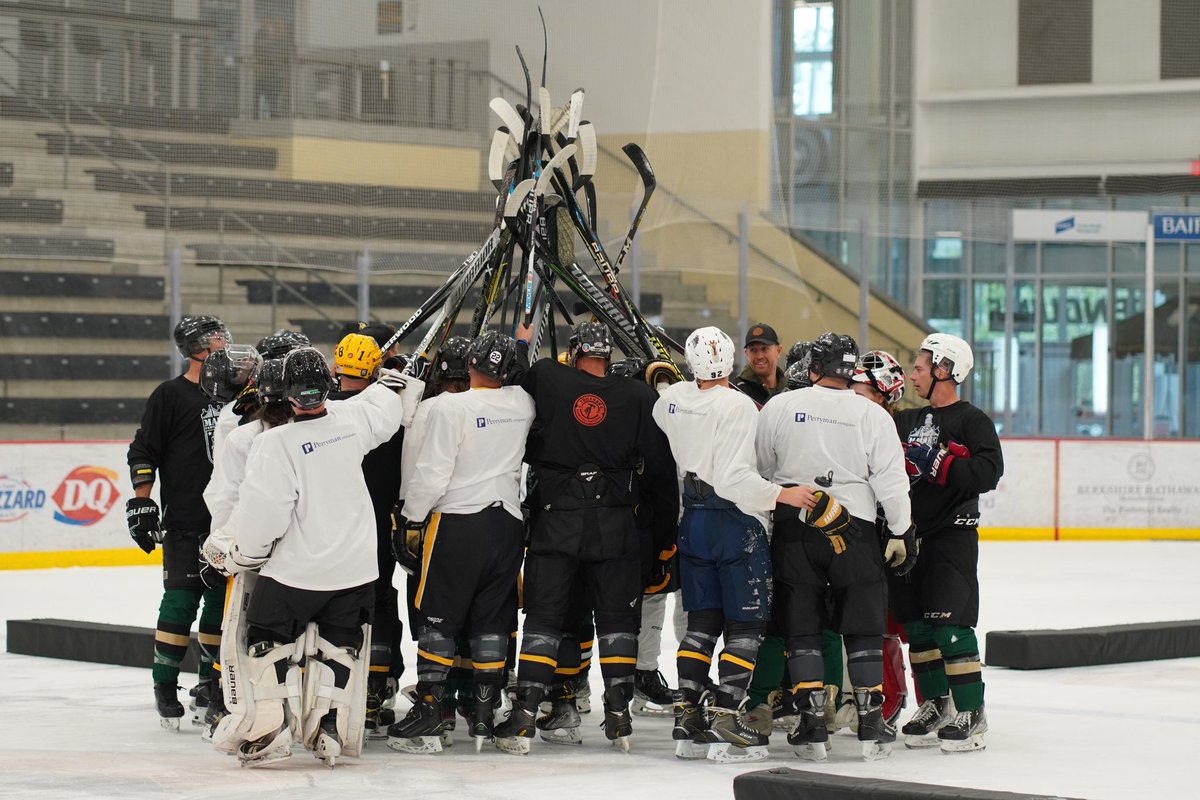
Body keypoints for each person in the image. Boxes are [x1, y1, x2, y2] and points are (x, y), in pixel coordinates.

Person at [203, 347, 421, 767]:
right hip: (356, 570)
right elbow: (383, 407)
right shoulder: (350, 421)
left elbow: (263, 516)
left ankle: (271, 727)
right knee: (339, 646)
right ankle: (329, 727)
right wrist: (395, 378)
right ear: (328, 387)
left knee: (266, 640)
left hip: (295, 572)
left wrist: (238, 555)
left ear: (285, 394)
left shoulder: (273, 443)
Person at [493, 320, 677, 754]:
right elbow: (662, 473)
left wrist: (522, 341)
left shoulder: (549, 377)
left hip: (557, 519)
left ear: (574, 352)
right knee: (617, 621)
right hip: (615, 523)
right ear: (608, 355)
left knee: (543, 617)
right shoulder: (637, 395)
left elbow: (513, 377)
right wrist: (666, 539)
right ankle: (618, 717)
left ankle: (523, 717)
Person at [652, 326, 816, 763]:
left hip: (693, 520)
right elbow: (735, 478)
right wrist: (785, 494)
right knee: (745, 627)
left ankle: (686, 714)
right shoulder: (739, 405)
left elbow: (668, 403)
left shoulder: (671, 400)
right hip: (734, 522)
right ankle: (726, 714)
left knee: (701, 621)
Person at [756, 332, 914, 762]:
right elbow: (890, 479)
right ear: (852, 371)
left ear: (811, 368)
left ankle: (811, 724)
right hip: (855, 527)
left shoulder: (781, 406)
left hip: (796, 523)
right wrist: (902, 530)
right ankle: (869, 721)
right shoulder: (872, 414)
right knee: (862, 623)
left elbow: (763, 468)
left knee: (802, 622)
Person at [386, 332, 535, 754]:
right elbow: (518, 373)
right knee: (491, 618)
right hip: (507, 524)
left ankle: (431, 712)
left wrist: (410, 517)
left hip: (457, 524)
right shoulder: (523, 404)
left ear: (469, 365)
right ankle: (486, 713)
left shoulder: (451, 407)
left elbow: (433, 472)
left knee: (440, 617)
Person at [893, 333, 1002, 753]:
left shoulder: (972, 420)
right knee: (918, 629)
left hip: (952, 537)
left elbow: (989, 472)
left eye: (920, 367)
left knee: (950, 626)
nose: (913, 374)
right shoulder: (907, 420)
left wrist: (942, 462)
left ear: (944, 369)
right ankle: (936, 703)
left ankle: (972, 710)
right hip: (910, 537)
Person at [126, 315, 230, 731]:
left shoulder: (239, 394)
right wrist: (141, 501)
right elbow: (143, 449)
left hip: (229, 525)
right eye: (216, 339)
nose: (225, 344)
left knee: (222, 608)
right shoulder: (169, 395)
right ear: (196, 347)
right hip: (186, 521)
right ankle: (164, 685)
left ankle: (210, 682)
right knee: (180, 602)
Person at [327, 331, 406, 738]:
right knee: (379, 599)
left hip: (331, 525)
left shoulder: (316, 409)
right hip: (379, 523)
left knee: (335, 604)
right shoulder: (387, 408)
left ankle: (332, 689)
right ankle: (377, 689)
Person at [850, 349, 918, 727]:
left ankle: (893, 695)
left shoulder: (892, 427)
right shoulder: (850, 420)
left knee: (885, 621)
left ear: (884, 396)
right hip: (855, 532)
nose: (855, 399)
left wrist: (901, 529)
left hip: (884, 535)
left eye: (864, 393)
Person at [733, 323, 785, 407]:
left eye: (765, 349)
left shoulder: (790, 390)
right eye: (753, 350)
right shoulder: (737, 392)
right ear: (746, 353)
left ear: (778, 351)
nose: (759, 356)